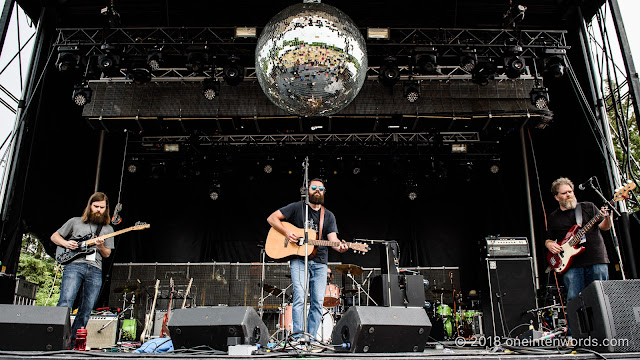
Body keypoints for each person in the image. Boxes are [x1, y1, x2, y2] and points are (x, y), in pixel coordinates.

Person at [267, 178, 348, 342]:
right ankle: (298, 338)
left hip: (320, 263)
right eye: (314, 188)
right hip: (298, 260)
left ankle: (310, 339)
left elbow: (333, 239)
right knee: (299, 298)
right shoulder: (297, 208)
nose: (317, 190)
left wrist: (341, 247)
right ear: (308, 190)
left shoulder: (329, 216)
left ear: (324, 192)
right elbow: (272, 218)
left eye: (321, 188)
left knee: (317, 302)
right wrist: (286, 232)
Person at [51, 192, 115, 344]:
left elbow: (107, 254)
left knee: (87, 308)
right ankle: (57, 340)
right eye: (96, 206)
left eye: (102, 207)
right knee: (65, 302)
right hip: (74, 265)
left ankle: (73, 343)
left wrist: (100, 246)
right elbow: (54, 237)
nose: (99, 210)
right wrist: (66, 244)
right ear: (90, 206)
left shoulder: (108, 229)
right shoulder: (75, 222)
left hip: (95, 269)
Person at [545, 177, 612, 304]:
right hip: (571, 265)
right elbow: (549, 238)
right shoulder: (554, 217)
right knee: (574, 301)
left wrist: (607, 218)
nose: (569, 195)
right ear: (557, 197)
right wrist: (549, 244)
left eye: (570, 191)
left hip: (596, 259)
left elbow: (604, 227)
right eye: (564, 193)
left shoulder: (588, 207)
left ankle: (601, 324)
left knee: (601, 299)